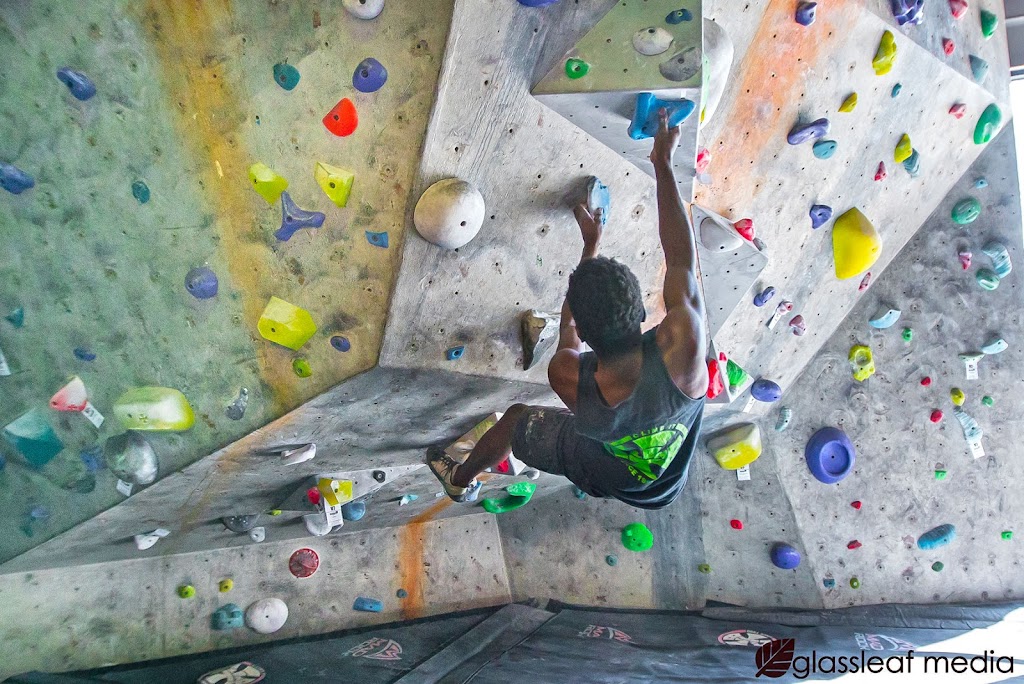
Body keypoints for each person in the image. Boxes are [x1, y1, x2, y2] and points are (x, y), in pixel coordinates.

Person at [427, 109, 707, 508]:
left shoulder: (569, 376)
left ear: (586, 337)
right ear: (643, 316)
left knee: (517, 420)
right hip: (665, 481)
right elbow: (681, 257)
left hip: (602, 468)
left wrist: (589, 248)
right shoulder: (685, 351)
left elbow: (567, 333)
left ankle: (459, 479)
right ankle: (464, 474)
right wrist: (663, 164)